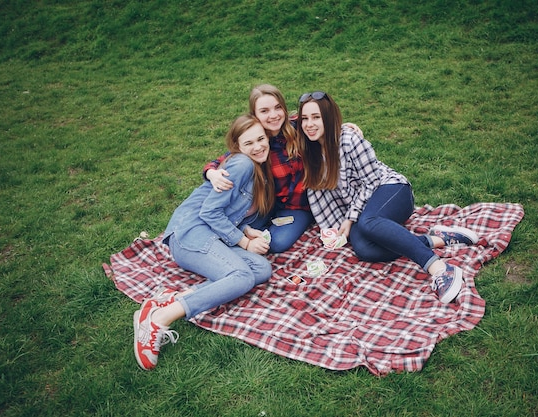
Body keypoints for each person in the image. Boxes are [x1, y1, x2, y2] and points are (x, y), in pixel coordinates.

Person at [296, 91, 479, 304]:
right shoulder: (310, 148)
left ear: (328, 117)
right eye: (305, 118)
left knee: (368, 222)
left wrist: (350, 217)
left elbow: (372, 181)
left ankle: (439, 268)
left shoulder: (348, 139)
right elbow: (279, 122)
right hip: (363, 207)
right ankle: (438, 239)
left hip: (391, 190)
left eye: (316, 117)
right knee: (364, 249)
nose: (309, 124)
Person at [133, 114, 275, 370]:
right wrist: (242, 242)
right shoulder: (243, 165)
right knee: (242, 276)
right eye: (249, 143)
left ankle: (171, 299)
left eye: (261, 139)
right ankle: (160, 318)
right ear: (238, 147)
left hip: (209, 232)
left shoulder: (256, 170)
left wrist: (246, 229)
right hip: (189, 232)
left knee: (262, 269)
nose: (258, 146)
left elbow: (227, 211)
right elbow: (209, 212)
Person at [204, 84, 362, 253]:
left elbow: (320, 125)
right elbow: (227, 157)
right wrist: (211, 172)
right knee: (231, 228)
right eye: (264, 111)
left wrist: (344, 127)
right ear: (255, 115)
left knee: (277, 243)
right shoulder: (256, 141)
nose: (273, 115)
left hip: (300, 206)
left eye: (278, 108)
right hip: (269, 204)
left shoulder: (297, 127)